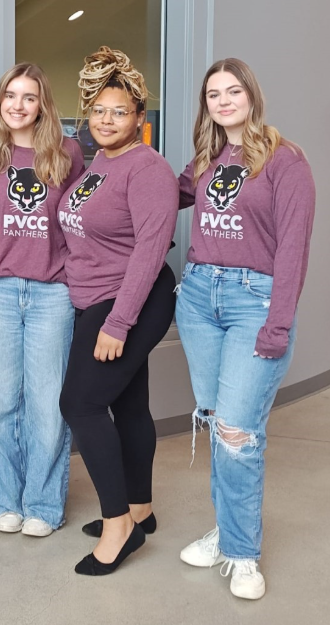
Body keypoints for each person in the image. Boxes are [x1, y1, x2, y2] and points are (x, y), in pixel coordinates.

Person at [175, 58, 314, 600]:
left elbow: (294, 251)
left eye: (234, 91)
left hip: (253, 303)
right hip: (199, 300)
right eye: (214, 94)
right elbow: (168, 196)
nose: (224, 100)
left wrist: (277, 325)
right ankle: (226, 529)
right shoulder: (208, 158)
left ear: (252, 96)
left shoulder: (286, 161)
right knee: (217, 421)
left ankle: (242, 552)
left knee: (238, 431)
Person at [58, 46, 178, 575]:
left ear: (139, 118)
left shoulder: (147, 167)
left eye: (120, 111)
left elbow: (152, 249)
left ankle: (118, 526)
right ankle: (141, 508)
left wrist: (118, 322)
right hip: (99, 297)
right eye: (100, 111)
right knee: (128, 405)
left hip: (131, 298)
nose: (108, 120)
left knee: (80, 406)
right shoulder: (99, 163)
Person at [0, 63, 84, 537]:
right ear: (0, 103)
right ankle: (9, 500)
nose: (18, 105)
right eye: (11, 96)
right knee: (0, 403)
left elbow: (86, 218)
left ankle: (42, 504)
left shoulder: (66, 153)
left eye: (29, 97)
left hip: (52, 291)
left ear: (43, 104)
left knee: (46, 404)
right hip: (0, 288)